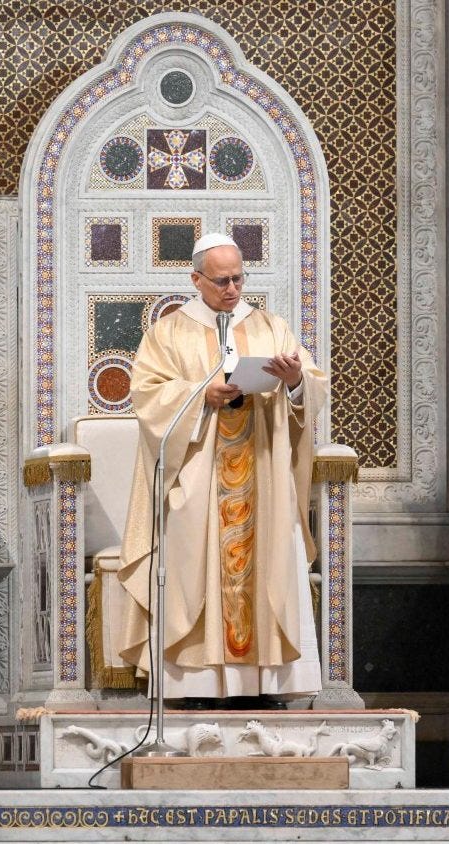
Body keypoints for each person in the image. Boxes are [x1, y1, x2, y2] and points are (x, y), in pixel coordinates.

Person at [115, 233, 328, 710]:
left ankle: (264, 685)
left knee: (269, 564)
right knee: (192, 570)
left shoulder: (271, 327)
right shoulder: (168, 333)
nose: (232, 289)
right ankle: (195, 686)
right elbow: (146, 396)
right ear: (196, 280)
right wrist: (200, 394)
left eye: (238, 279)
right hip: (197, 476)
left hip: (264, 475)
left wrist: (294, 380)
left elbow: (310, 387)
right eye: (221, 281)